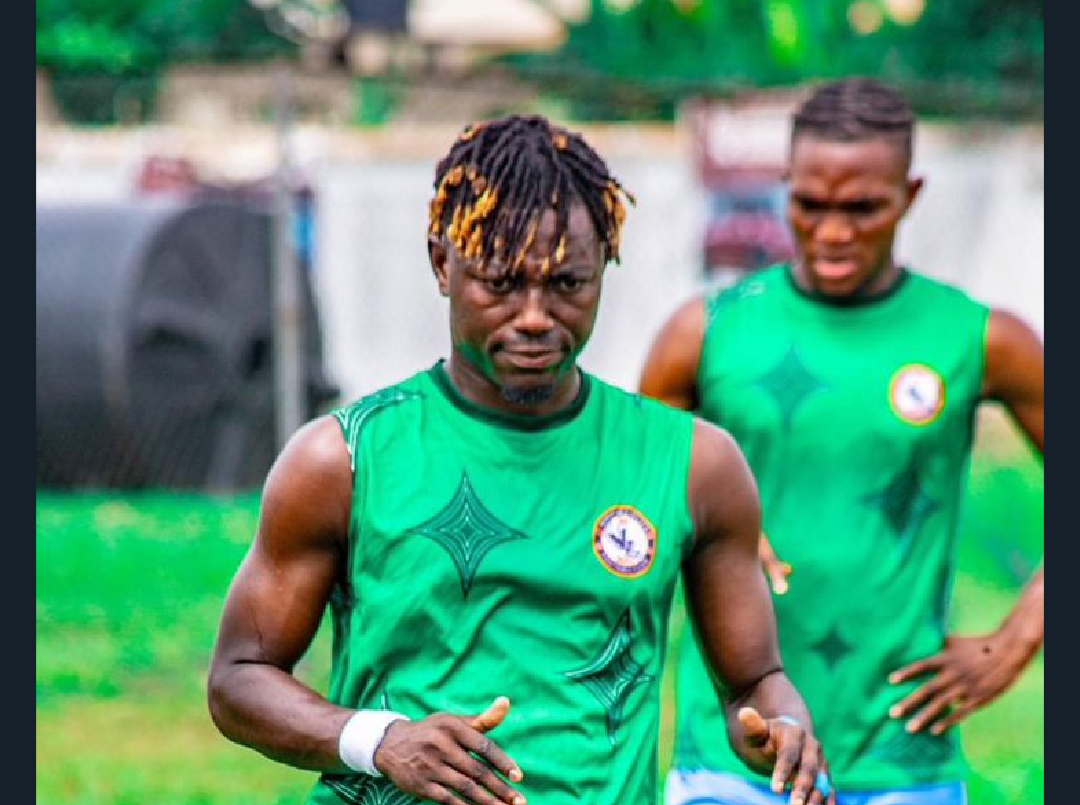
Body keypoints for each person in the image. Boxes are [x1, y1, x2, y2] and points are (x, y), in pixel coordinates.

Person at [207, 114, 836, 805]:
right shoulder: (343, 459)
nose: (535, 315)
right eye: (501, 283)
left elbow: (755, 681)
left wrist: (782, 726)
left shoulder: (694, 464)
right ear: (442, 264)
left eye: (568, 283)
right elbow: (239, 677)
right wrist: (380, 739)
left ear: (604, 267)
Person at [640, 78, 1044, 805]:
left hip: (900, 760)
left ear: (909, 196)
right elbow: (628, 504)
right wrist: (710, 527)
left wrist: (1014, 638)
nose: (832, 231)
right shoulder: (706, 333)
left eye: (862, 208)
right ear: (786, 185)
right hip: (732, 755)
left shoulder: (979, 337)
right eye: (810, 204)